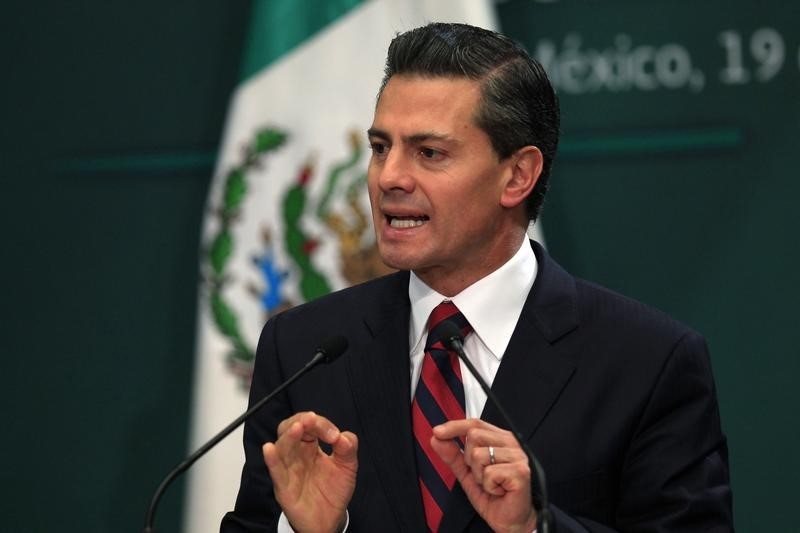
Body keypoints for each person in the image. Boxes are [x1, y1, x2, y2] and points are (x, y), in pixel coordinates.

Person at [221, 22, 733, 532]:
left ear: (517, 176)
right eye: (381, 148)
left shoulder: (647, 361)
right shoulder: (303, 350)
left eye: (429, 153)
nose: (388, 177)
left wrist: (535, 527)